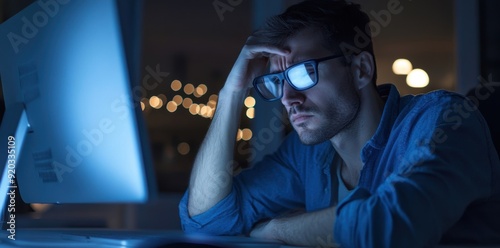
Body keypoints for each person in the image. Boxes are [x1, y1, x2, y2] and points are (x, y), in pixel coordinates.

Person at [178, 0, 500, 247]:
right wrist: (232, 92)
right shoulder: (308, 155)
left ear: (360, 70)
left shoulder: (443, 122)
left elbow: (386, 227)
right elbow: (206, 221)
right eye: (277, 82)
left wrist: (276, 230)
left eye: (304, 74)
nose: (288, 98)